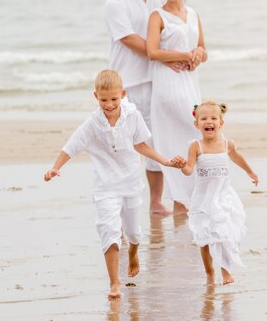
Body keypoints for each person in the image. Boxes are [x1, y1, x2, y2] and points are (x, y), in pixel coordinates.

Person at [43, 70, 184, 299]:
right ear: (95, 97)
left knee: (134, 233)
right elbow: (72, 145)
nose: (109, 105)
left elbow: (142, 146)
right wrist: (56, 167)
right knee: (109, 230)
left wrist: (166, 161)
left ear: (123, 95)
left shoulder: (132, 116)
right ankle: (114, 283)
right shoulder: (92, 124)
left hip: (129, 181)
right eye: (103, 100)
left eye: (114, 99)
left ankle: (134, 252)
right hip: (105, 186)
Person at [105, 0, 178, 216]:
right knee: (124, 145)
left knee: (153, 143)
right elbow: (129, 39)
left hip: (157, 81)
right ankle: (120, 204)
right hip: (127, 84)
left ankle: (156, 202)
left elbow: (174, 30)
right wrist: (164, 55)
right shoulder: (116, 3)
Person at [146, 0, 208, 215]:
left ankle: (190, 199)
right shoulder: (157, 16)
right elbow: (152, 52)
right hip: (167, 83)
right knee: (178, 136)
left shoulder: (193, 14)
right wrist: (180, 54)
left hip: (190, 81)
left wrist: (196, 56)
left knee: (191, 134)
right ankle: (180, 201)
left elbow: (203, 48)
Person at [179, 101, 258, 286]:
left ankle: (226, 272)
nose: (209, 121)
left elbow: (237, 157)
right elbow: (189, 169)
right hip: (203, 198)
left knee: (225, 234)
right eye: (204, 118)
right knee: (204, 237)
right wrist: (182, 165)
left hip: (223, 196)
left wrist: (250, 171)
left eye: (213, 118)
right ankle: (209, 272)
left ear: (221, 123)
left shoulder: (226, 144)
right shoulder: (195, 146)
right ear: (197, 124)